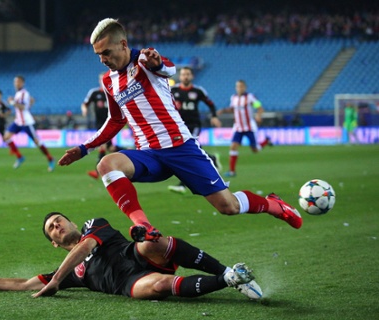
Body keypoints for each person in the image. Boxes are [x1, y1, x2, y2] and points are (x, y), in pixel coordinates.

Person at [58, 18, 302, 243]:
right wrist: (83, 148)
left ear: (122, 44)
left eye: (106, 53)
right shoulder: (108, 81)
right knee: (106, 165)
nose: (102, 59)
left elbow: (168, 68)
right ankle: (143, 225)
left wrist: (158, 63)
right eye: (98, 55)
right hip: (149, 154)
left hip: (180, 148)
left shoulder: (144, 60)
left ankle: (274, 205)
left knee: (228, 206)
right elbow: (115, 120)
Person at [0, 212, 262, 300]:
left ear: (72, 223)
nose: (57, 225)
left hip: (137, 254)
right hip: (131, 282)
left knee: (153, 242)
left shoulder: (93, 225)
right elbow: (22, 284)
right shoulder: (73, 275)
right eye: (52, 229)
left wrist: (57, 280)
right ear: (54, 243)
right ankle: (229, 278)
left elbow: (85, 247)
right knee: (153, 289)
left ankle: (225, 271)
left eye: (59, 220)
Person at [168, 66, 222, 194]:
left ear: (191, 76)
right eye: (183, 74)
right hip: (178, 125)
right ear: (180, 77)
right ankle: (212, 159)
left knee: (189, 150)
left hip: (194, 125)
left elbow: (210, 104)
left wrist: (214, 116)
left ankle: (183, 184)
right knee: (191, 150)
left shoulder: (198, 91)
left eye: (188, 74)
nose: (185, 76)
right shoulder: (173, 90)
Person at [217, 80, 272, 177]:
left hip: (249, 127)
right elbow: (232, 109)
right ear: (236, 88)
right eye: (238, 86)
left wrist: (259, 115)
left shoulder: (250, 97)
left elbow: (260, 108)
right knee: (233, 146)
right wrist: (223, 110)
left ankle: (266, 141)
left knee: (255, 150)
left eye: (241, 86)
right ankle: (232, 171)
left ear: (245, 87)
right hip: (238, 127)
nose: (240, 88)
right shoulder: (233, 98)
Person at [3, 75, 55, 172]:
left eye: (18, 82)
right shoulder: (18, 93)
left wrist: (12, 102)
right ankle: (19, 157)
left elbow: (23, 107)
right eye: (15, 82)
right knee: (6, 137)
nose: (16, 83)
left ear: (22, 83)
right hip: (18, 121)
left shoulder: (23, 93)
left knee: (37, 142)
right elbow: (28, 104)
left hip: (27, 122)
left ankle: (50, 159)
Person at [81, 72, 124, 179]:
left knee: (103, 146)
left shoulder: (114, 91)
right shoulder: (95, 93)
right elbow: (85, 103)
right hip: (99, 123)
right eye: (100, 79)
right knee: (111, 147)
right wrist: (84, 110)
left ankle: (97, 171)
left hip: (111, 123)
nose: (102, 81)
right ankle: (130, 152)